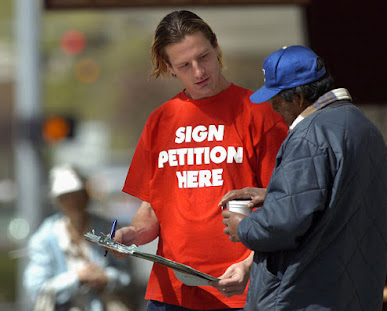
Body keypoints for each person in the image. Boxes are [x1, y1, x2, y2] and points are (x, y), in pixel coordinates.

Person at [110, 10, 288, 311]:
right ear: (169, 67)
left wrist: (248, 265)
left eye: (203, 57)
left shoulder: (259, 113)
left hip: (241, 291)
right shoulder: (160, 121)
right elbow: (153, 208)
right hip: (171, 293)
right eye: (184, 65)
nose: (198, 72)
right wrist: (131, 235)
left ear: (216, 48)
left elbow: (283, 204)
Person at [218, 45, 387, 310]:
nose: (273, 105)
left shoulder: (309, 135)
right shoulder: (362, 126)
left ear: (299, 97)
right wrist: (274, 194)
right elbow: (343, 195)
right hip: (354, 293)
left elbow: (285, 223)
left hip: (303, 296)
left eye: (277, 97)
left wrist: (243, 226)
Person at [24, 164, 133, 311]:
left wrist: (106, 278)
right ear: (58, 201)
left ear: (86, 196)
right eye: (66, 198)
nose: (73, 202)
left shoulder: (108, 230)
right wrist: (77, 278)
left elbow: (127, 273)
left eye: (77, 195)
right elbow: (36, 287)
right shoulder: (44, 238)